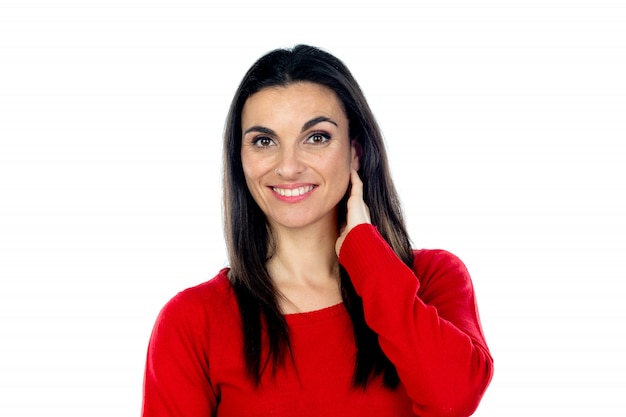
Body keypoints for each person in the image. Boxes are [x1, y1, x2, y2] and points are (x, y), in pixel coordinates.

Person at [141, 45, 493, 417]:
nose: (288, 167)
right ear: (240, 159)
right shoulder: (192, 321)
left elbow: (454, 398)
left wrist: (366, 252)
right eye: (264, 141)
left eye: (317, 137)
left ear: (355, 151)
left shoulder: (431, 280)